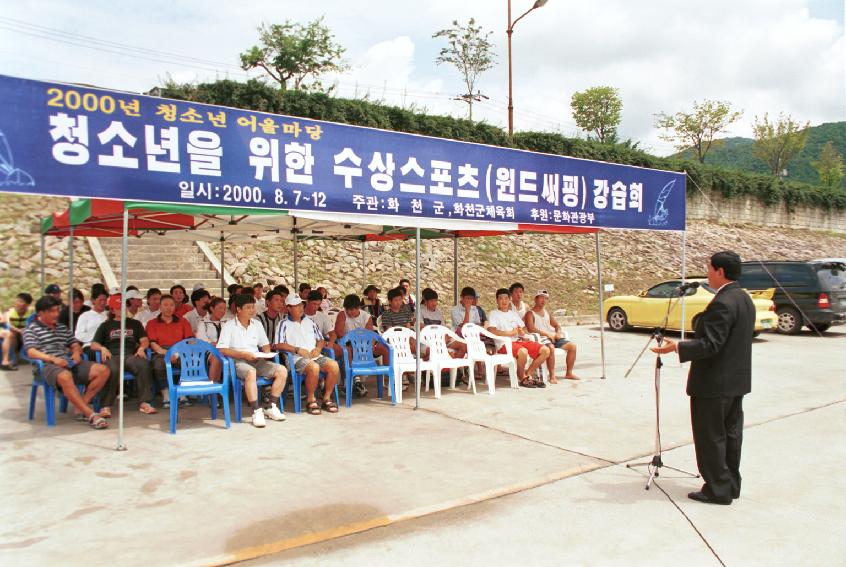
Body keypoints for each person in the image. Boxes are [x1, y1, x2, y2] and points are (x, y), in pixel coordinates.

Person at [651, 251, 755, 506]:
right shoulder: (743, 298)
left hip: (714, 383)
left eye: (709, 268)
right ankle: (729, 484)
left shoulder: (723, 302)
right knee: (730, 436)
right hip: (735, 381)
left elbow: (711, 344)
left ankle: (717, 489)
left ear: (720, 272)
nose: (706, 272)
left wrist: (678, 347)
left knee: (711, 437)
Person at [22, 295, 110, 429]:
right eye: (52, 311)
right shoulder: (32, 329)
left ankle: (81, 406)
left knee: (103, 370)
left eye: (57, 310)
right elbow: (31, 351)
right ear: (41, 313)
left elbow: (75, 344)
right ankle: (91, 415)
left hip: (68, 362)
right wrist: (53, 359)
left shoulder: (62, 328)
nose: (56, 314)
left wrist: (76, 352)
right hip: (47, 366)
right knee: (65, 376)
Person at [217, 294, 287, 428]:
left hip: (257, 359)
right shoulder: (229, 326)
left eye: (253, 307)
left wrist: (266, 353)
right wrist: (243, 354)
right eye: (248, 308)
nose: (252, 310)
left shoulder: (257, 324)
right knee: (250, 372)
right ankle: (256, 410)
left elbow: (265, 344)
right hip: (238, 362)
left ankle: (271, 406)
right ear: (238, 309)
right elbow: (222, 349)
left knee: (282, 370)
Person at [90, 294, 157, 416]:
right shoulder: (105, 325)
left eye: (123, 306)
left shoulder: (135, 323)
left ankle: (144, 403)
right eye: (117, 307)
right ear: (112, 309)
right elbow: (94, 344)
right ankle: (105, 406)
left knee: (143, 365)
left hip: (130, 355)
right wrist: (102, 348)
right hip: (113, 356)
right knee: (112, 370)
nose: (121, 309)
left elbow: (144, 340)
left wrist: (142, 348)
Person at [275, 295, 340, 415]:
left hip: (314, 355)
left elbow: (320, 339)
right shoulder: (282, 324)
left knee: (334, 366)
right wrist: (296, 349)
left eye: (301, 305)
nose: (300, 308)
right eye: (296, 306)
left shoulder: (310, 322)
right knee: (313, 367)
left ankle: (326, 398)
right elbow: (279, 344)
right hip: (295, 358)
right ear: (289, 308)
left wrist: (318, 348)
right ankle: (311, 400)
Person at [486, 288, 549, 388]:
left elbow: (522, 327)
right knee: (523, 352)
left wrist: (522, 332)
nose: (504, 301)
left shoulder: (513, 313)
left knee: (545, 350)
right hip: (503, 344)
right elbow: (491, 330)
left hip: (518, 341)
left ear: (509, 299)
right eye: (501, 298)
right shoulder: (493, 313)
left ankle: (528, 373)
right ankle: (522, 377)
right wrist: (509, 333)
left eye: (506, 298)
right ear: (497, 300)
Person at [334, 293, 390, 397]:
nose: (350, 312)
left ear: (358, 308)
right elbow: (339, 332)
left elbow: (369, 334)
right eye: (348, 310)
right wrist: (354, 339)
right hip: (348, 344)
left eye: (352, 310)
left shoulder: (366, 316)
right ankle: (351, 380)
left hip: (365, 344)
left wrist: (366, 344)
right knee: (348, 349)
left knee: (385, 349)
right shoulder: (342, 315)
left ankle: (389, 378)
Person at [145, 294, 194, 409]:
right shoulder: (152, 323)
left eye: (171, 305)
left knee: (188, 363)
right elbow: (152, 343)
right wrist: (166, 353)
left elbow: (188, 341)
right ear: (160, 307)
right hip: (161, 351)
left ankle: (182, 393)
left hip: (180, 350)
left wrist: (176, 353)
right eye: (165, 305)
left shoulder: (183, 321)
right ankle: (166, 394)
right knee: (159, 365)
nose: (169, 308)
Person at [524, 290, 580, 383]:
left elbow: (557, 325)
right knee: (551, 347)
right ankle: (552, 375)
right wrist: (547, 334)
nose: (543, 300)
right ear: (535, 299)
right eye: (541, 297)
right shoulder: (530, 313)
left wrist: (558, 333)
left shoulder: (547, 312)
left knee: (572, 346)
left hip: (553, 337)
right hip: (541, 339)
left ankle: (569, 373)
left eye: (546, 298)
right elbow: (531, 329)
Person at [195, 297, 227, 383]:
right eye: (220, 308)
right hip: (209, 350)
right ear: (212, 308)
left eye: (224, 308)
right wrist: (212, 343)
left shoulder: (227, 322)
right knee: (217, 357)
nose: (223, 311)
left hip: (226, 349)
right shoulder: (203, 322)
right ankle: (212, 385)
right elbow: (200, 337)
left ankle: (217, 386)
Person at [0, 292, 33, 370]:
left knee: (26, 334)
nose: (18, 303)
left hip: (23, 331)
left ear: (27, 304)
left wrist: (24, 330)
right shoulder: (10, 312)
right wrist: (18, 330)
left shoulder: (30, 313)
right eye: (18, 301)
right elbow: (8, 324)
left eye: (21, 301)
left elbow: (31, 324)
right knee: (12, 334)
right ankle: (14, 357)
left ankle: (26, 356)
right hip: (13, 331)